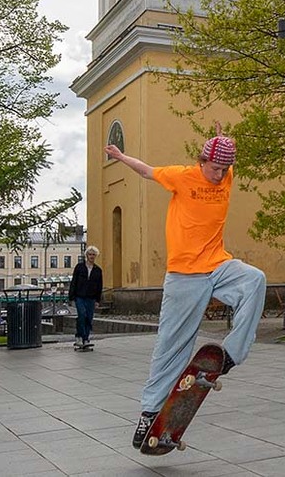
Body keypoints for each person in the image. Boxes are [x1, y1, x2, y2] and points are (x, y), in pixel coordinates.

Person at [104, 122, 266, 449]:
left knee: (255, 280)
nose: (219, 176)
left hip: (218, 266)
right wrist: (120, 157)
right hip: (183, 276)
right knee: (171, 344)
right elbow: (147, 171)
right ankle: (150, 412)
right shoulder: (182, 176)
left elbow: (226, 155)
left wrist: (221, 135)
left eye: (224, 170)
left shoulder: (227, 175)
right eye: (215, 169)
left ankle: (231, 354)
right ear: (202, 161)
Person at [68, 245, 103, 348]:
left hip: (91, 297)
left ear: (95, 256)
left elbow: (99, 286)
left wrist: (98, 299)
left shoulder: (98, 270)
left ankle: (86, 338)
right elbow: (74, 281)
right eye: (90, 254)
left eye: (93, 255)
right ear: (86, 255)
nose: (91, 256)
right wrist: (71, 296)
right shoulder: (79, 267)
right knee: (82, 315)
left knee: (89, 318)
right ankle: (79, 336)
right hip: (80, 296)